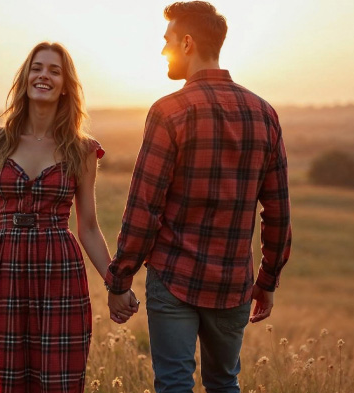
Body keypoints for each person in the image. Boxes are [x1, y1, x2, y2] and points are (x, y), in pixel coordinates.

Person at [0, 42, 138, 393]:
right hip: (4, 269)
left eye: (54, 71)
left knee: (57, 377)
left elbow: (87, 227)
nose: (44, 75)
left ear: (66, 84)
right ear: (26, 77)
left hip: (59, 273)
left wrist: (115, 283)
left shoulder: (82, 150)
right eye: (37, 68)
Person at [104, 2, 292, 392]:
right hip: (234, 282)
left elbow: (144, 207)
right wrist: (267, 279)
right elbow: (277, 211)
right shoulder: (264, 113)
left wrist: (119, 279)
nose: (162, 51)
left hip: (174, 278)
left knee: (173, 385)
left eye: (167, 41)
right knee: (225, 383)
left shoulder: (169, 111)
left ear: (187, 43)